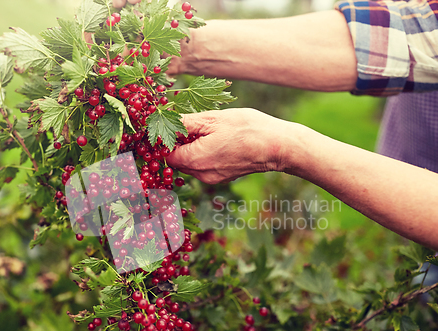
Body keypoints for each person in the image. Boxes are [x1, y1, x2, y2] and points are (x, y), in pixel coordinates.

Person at [157, 1, 438, 251]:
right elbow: (408, 37)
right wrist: (180, 45)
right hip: (409, 220)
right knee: (138, 287)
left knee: (143, 286)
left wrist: (283, 148)